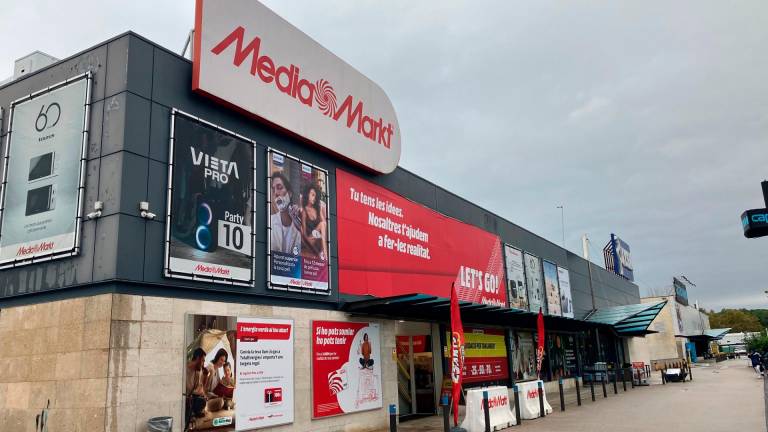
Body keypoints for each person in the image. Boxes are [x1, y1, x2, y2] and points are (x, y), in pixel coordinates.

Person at [270, 172, 301, 255]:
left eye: (279, 187)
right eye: (273, 190)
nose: (276, 193)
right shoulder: (270, 222)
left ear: (289, 194)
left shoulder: (299, 224)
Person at [301, 181, 328, 261]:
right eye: (312, 195)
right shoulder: (304, 211)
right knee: (322, 224)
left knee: (323, 224)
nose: (314, 198)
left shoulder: (318, 209)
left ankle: (323, 251)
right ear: (307, 194)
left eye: (315, 196)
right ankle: (325, 254)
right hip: (309, 241)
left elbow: (324, 225)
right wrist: (309, 242)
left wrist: (318, 234)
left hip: (319, 239)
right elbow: (305, 233)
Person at [185, 348, 208, 428]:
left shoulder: (199, 371)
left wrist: (203, 395)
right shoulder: (184, 369)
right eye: (202, 360)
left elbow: (198, 388)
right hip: (183, 399)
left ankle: (193, 412)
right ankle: (191, 413)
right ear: (197, 358)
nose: (203, 363)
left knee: (202, 401)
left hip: (191, 398)